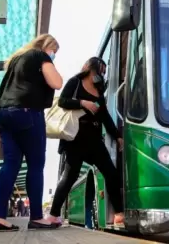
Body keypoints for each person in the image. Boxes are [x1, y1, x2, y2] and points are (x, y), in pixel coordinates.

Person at [0, 34, 63, 232]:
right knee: (36, 165)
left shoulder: (16, 60)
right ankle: (37, 217)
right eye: (54, 51)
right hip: (27, 113)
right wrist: (50, 63)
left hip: (4, 115)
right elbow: (56, 82)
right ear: (47, 47)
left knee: (11, 163)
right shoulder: (40, 55)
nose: (54, 55)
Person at [47, 57, 124, 226]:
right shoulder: (75, 82)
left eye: (103, 72)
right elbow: (62, 101)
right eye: (99, 70)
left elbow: (104, 116)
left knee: (111, 173)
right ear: (90, 67)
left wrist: (117, 135)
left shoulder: (99, 89)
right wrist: (83, 103)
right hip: (75, 138)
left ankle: (119, 214)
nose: (101, 74)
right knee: (69, 176)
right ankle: (53, 215)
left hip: (94, 139)